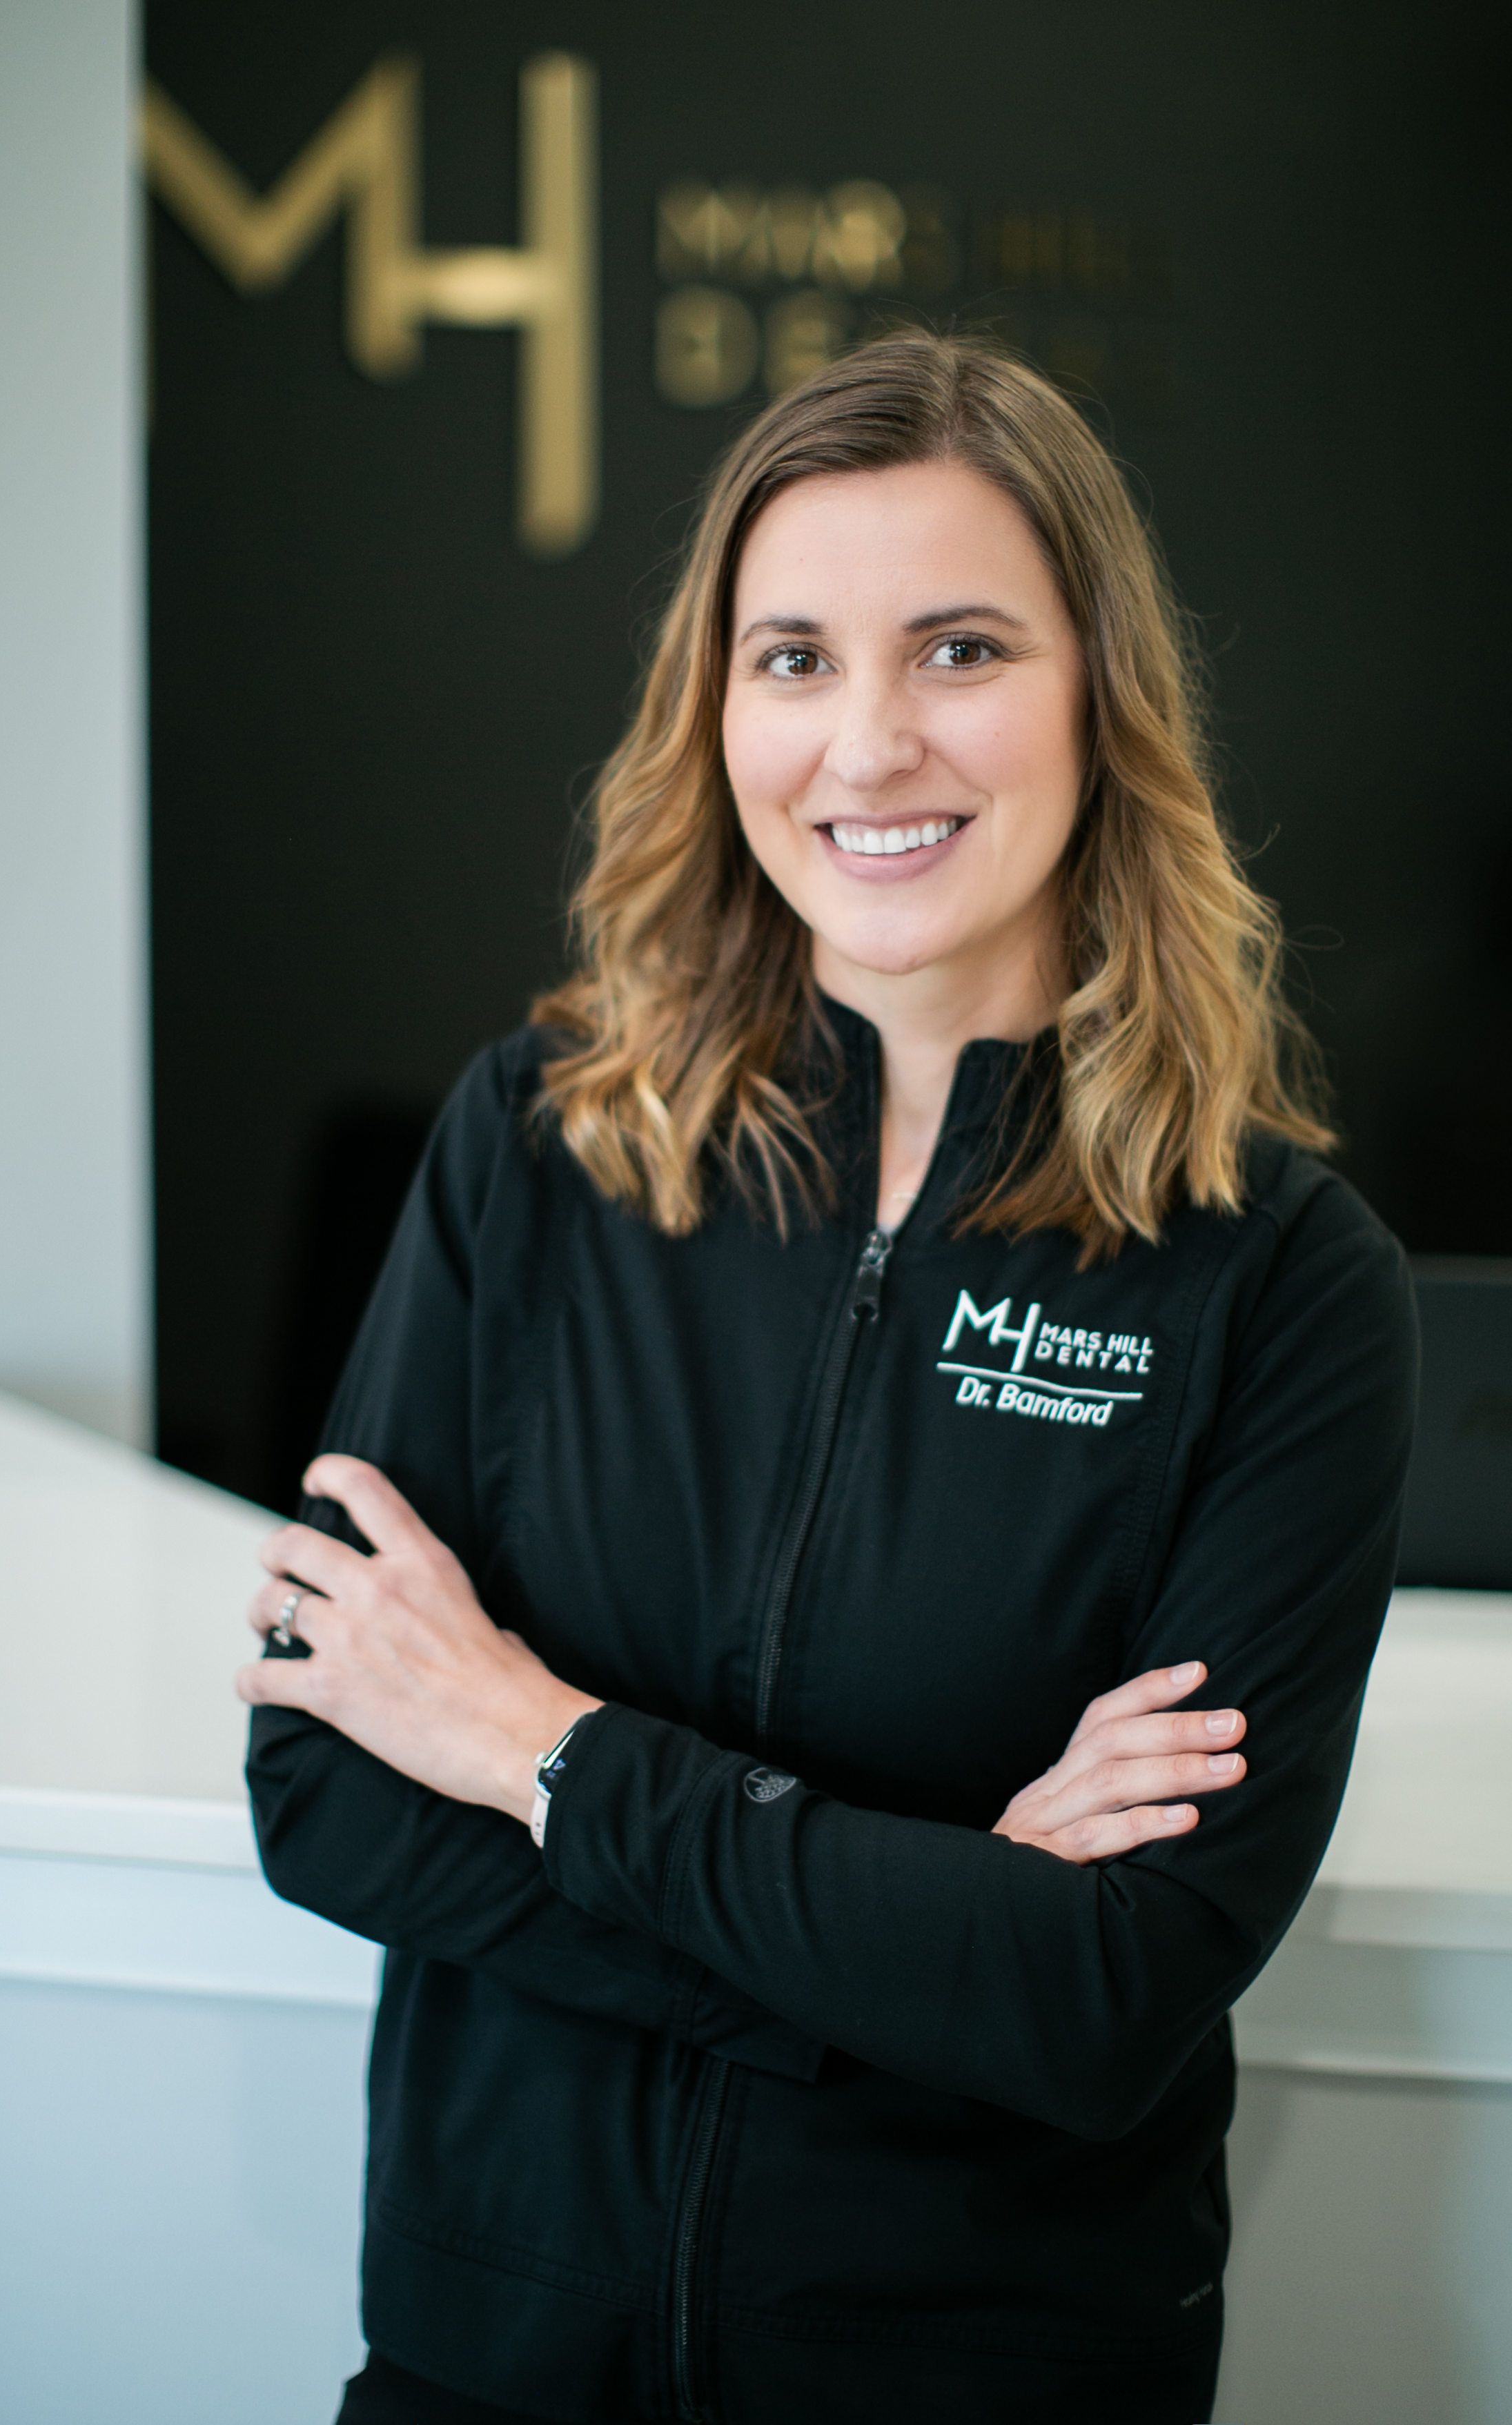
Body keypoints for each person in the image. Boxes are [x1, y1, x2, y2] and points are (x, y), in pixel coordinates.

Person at [241, 332, 1417, 2425]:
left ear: (1099, 697)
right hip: (489, 2367)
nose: (867, 744)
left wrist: (541, 1746)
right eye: (792, 658)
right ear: (716, 713)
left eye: (958, 648)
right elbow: (329, 1789)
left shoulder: (1286, 1285)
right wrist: (925, 1919)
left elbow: (1106, 1992)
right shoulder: (531, 1150)